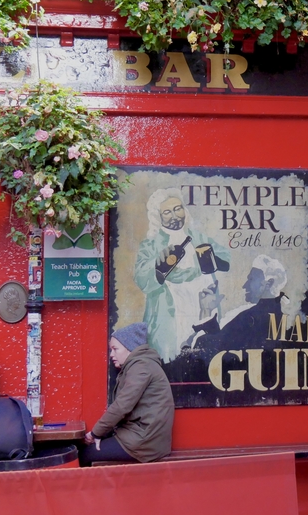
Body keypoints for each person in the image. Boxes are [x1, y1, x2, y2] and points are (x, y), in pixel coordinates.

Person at [134, 188, 231, 362]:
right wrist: (159, 264)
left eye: (178, 209)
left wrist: (210, 259)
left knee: (206, 356)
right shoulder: (151, 245)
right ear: (158, 217)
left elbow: (226, 260)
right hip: (172, 313)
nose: (174, 215)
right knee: (174, 360)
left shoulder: (198, 237)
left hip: (203, 306)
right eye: (167, 212)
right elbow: (142, 279)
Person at [80, 322, 174, 466]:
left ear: (130, 348)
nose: (112, 354)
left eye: (115, 349)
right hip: (143, 437)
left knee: (85, 454)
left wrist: (95, 433)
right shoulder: (140, 365)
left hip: (144, 442)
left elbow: (122, 406)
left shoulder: (141, 367)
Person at [194, 254, 289, 352]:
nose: (245, 286)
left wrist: (205, 310)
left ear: (268, 283)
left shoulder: (251, 318)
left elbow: (213, 348)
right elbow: (225, 343)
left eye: (251, 279)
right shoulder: (275, 314)